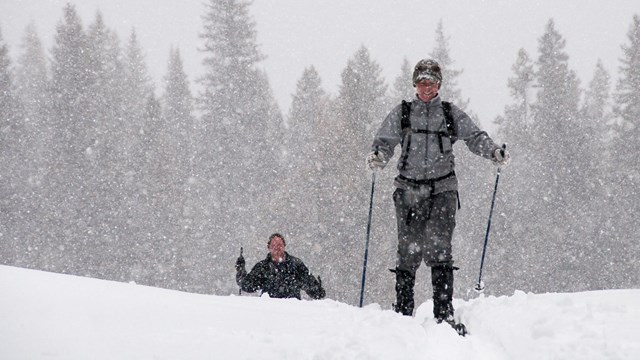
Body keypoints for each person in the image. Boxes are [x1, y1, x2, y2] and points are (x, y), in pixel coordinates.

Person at [366, 59, 509, 336]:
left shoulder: (450, 113)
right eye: (421, 82)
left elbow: (474, 136)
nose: (426, 87)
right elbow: (384, 142)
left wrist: (493, 152)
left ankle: (444, 315)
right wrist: (378, 158)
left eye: (431, 82)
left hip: (443, 191)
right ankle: (403, 314)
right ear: (415, 84)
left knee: (440, 249)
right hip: (408, 190)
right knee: (408, 252)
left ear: (439, 85)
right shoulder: (403, 113)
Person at [235, 233, 326, 300]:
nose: (276, 247)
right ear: (269, 247)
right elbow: (247, 285)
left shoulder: (296, 265)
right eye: (273, 245)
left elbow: (309, 283)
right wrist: (240, 270)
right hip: (268, 312)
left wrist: (317, 290)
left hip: (293, 312)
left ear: (284, 246)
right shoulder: (262, 267)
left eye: (279, 245)